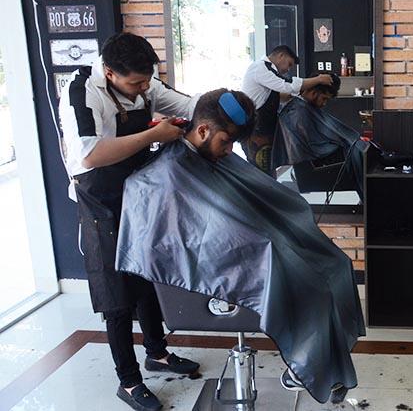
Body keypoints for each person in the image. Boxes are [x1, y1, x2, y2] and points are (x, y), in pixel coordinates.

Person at [116, 88, 366, 405]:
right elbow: (198, 237)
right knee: (311, 283)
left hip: (251, 248)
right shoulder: (162, 176)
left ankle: (322, 361)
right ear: (203, 130)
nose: (228, 151)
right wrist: (266, 242)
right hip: (223, 268)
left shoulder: (204, 156)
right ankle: (308, 366)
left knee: (336, 264)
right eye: (226, 142)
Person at [59, 32, 200, 411]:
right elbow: (90, 154)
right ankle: (129, 380)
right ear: (109, 72)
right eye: (136, 83)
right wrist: (153, 133)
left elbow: (191, 103)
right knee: (117, 296)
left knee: (147, 276)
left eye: (146, 81)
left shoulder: (145, 84)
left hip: (135, 192)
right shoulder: (81, 91)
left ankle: (157, 352)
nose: (143, 90)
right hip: (99, 200)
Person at [272, 72, 367, 200]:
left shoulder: (302, 107)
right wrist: (344, 141)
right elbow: (311, 147)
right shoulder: (298, 112)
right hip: (315, 167)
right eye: (324, 98)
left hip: (320, 158)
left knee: (359, 150)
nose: (324, 104)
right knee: (359, 154)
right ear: (313, 92)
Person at [240, 45, 334, 174]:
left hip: (263, 129)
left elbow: (281, 96)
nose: (287, 69)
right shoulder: (260, 69)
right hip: (255, 132)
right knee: (263, 173)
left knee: (268, 171)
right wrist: (318, 79)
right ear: (281, 56)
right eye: (289, 64)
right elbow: (287, 86)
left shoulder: (268, 74)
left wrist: (298, 96)